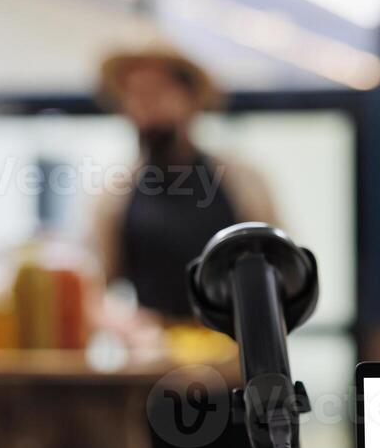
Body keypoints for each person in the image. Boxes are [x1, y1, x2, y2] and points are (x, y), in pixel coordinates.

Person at [92, 41, 278, 317]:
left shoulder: (240, 180)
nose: (143, 106)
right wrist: (128, 326)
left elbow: (278, 272)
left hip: (229, 351)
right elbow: (98, 289)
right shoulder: (115, 194)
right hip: (153, 354)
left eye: (155, 91)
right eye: (132, 94)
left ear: (189, 97)